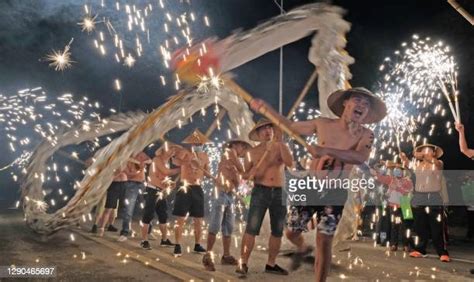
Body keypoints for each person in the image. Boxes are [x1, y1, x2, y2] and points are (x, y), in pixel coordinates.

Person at [249, 87, 386, 281]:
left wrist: (325, 150)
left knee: (325, 241)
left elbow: (359, 157)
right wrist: (267, 109)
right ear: (346, 103)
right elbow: (290, 126)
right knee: (291, 232)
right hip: (311, 187)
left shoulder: (366, 134)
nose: (361, 106)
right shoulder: (322, 123)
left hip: (335, 193)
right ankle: (303, 248)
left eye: (366, 104)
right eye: (358, 100)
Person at [236, 119, 293, 276]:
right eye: (263, 129)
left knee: (277, 230)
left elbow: (290, 163)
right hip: (260, 191)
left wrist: (281, 144)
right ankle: (243, 263)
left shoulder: (280, 147)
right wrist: (252, 172)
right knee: (251, 229)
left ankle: (271, 264)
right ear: (258, 133)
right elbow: (245, 175)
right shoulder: (251, 153)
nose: (267, 131)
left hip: (279, 192)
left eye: (270, 128)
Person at [202, 139, 251, 271]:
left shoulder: (233, 160)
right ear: (234, 145)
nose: (244, 149)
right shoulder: (229, 152)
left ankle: (226, 256)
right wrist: (251, 172)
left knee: (228, 226)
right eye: (243, 146)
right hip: (221, 193)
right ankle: (208, 255)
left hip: (229, 195)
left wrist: (248, 199)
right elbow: (242, 171)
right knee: (215, 224)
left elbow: (238, 180)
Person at [172, 129, 212, 257]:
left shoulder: (205, 156)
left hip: (197, 188)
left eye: (200, 143)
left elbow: (207, 173)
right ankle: (177, 245)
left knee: (198, 219)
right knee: (180, 218)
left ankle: (197, 244)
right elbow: (175, 161)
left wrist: (201, 167)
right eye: (196, 143)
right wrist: (188, 161)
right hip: (185, 187)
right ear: (191, 143)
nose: (198, 145)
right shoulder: (185, 152)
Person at [408, 144, 450, 262]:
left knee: (437, 226)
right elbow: (407, 165)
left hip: (434, 197)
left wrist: (425, 156)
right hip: (419, 196)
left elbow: (436, 164)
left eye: (429, 150)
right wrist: (405, 158)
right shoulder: (418, 165)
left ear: (434, 153)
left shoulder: (438, 163)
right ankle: (420, 249)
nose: (426, 152)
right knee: (419, 225)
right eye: (424, 150)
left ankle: (442, 252)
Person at [140, 144, 181, 250]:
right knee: (148, 215)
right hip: (152, 191)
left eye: (174, 150)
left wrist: (170, 183)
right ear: (163, 150)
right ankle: (144, 241)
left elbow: (163, 177)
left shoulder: (167, 162)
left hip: (161, 192)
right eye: (171, 148)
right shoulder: (156, 159)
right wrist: (182, 168)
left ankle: (164, 239)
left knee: (163, 216)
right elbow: (165, 172)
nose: (173, 151)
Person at [371, 162, 413, 251]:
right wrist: (376, 168)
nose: (397, 170)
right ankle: (394, 244)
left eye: (399, 169)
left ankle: (406, 245)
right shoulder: (391, 179)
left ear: (403, 171)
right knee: (395, 225)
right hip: (394, 205)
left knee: (406, 226)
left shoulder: (408, 181)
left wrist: (397, 188)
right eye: (395, 169)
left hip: (405, 204)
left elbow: (407, 192)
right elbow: (379, 177)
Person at [118, 151, 151, 242]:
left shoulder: (140, 153)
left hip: (142, 184)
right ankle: (124, 232)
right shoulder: (125, 158)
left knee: (146, 208)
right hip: (131, 185)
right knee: (128, 209)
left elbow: (150, 160)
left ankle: (148, 231)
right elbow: (128, 175)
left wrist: (144, 162)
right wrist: (140, 169)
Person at [97, 167, 128, 237]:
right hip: (114, 184)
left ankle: (126, 229)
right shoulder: (112, 160)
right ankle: (101, 228)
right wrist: (117, 173)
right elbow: (108, 176)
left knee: (126, 208)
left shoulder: (126, 161)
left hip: (124, 184)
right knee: (108, 208)